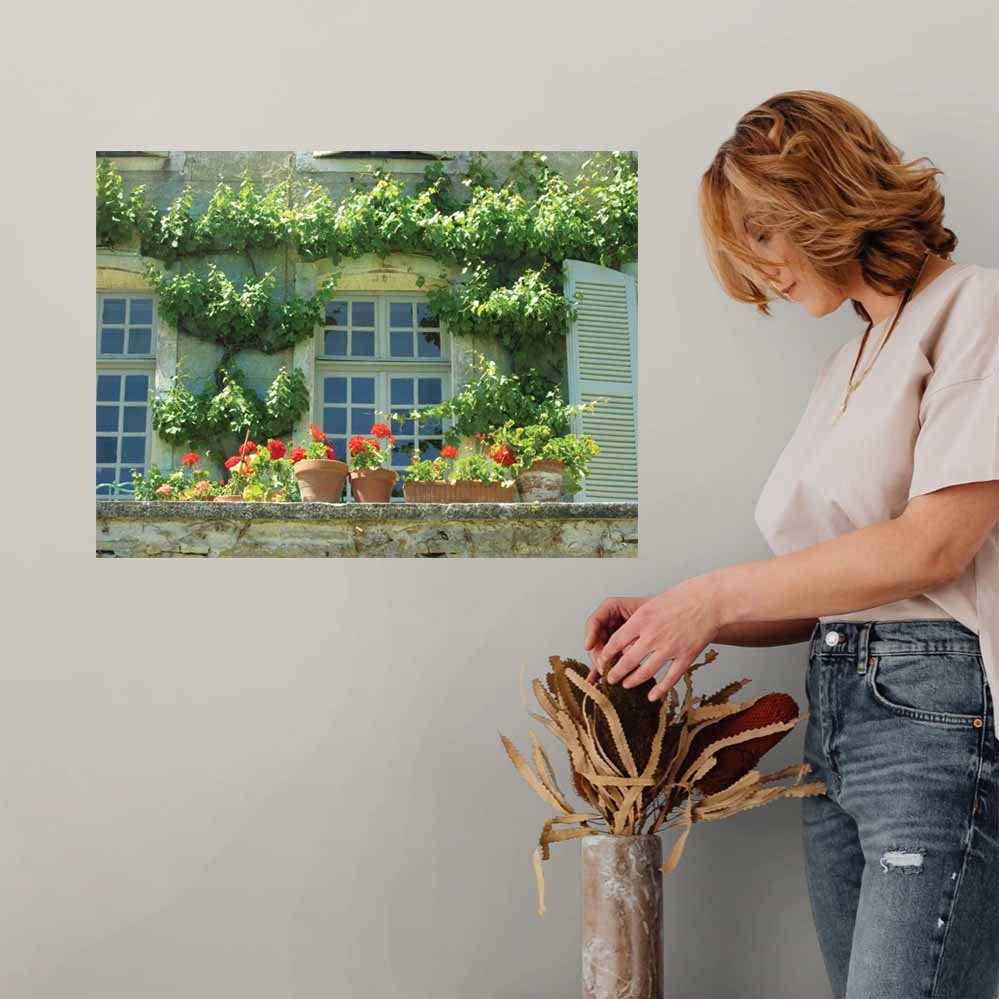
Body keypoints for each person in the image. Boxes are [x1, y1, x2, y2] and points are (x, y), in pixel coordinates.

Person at [583, 90, 999, 998]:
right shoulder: (847, 360)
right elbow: (834, 589)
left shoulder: (973, 308)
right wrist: (676, 616)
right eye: (743, 244)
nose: (757, 266)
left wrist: (715, 598)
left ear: (831, 196)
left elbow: (935, 547)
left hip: (931, 717)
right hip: (838, 716)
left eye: (764, 232)